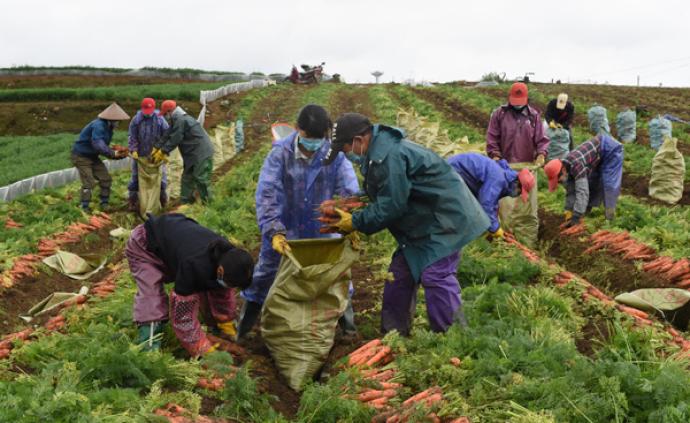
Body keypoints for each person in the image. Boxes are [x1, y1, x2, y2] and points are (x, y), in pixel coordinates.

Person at [323, 113, 490, 336]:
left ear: (358, 141)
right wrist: (352, 203)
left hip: (445, 220)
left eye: (345, 149)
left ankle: (454, 339)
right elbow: (384, 191)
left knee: (435, 275)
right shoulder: (377, 154)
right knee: (399, 275)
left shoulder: (389, 157)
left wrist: (354, 221)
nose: (346, 154)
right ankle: (394, 336)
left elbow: (392, 206)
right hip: (423, 221)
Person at [237, 104, 360, 338]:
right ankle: (243, 330)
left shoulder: (334, 155)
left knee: (335, 277)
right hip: (286, 230)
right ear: (296, 129)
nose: (313, 143)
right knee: (265, 275)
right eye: (307, 137)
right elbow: (267, 194)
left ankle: (349, 330)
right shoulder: (280, 154)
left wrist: (350, 219)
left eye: (318, 138)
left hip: (322, 230)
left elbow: (349, 188)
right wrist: (274, 231)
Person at [125, 213, 254, 356]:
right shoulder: (194, 265)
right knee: (152, 297)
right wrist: (202, 348)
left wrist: (225, 323)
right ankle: (147, 349)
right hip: (145, 245)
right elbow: (183, 317)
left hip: (174, 237)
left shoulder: (228, 256)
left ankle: (215, 329)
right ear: (220, 270)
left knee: (214, 287)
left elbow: (221, 292)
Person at [486, 82, 550, 247]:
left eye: (520, 101)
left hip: (527, 168)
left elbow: (542, 140)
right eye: (515, 101)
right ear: (509, 98)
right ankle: (505, 242)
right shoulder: (499, 114)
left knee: (527, 210)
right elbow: (492, 138)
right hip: (505, 168)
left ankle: (527, 244)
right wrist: (495, 156)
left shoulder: (533, 116)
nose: (517, 104)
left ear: (527, 99)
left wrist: (542, 154)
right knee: (505, 208)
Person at [447, 153, 536, 239]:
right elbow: (486, 204)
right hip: (454, 172)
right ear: (516, 182)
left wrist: (495, 226)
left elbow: (493, 202)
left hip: (461, 173)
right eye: (519, 191)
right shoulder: (498, 178)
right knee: (459, 213)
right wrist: (495, 229)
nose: (518, 194)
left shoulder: (503, 176)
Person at [543, 134, 623, 228]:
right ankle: (585, 211)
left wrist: (576, 216)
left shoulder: (576, 165)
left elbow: (582, 192)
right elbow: (571, 190)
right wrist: (569, 210)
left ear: (562, 170)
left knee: (609, 184)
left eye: (558, 179)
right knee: (592, 182)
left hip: (610, 149)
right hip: (597, 154)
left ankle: (610, 218)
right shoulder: (567, 167)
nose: (559, 182)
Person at [151, 100, 214, 204]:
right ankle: (186, 203)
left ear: (170, 112)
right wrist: (156, 147)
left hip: (201, 152)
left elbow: (176, 138)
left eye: (165, 114)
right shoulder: (176, 120)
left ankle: (208, 204)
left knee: (200, 178)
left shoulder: (181, 120)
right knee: (187, 179)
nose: (165, 117)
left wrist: (163, 151)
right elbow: (167, 134)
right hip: (191, 154)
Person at [71, 103, 130, 212]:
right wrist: (113, 154)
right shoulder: (99, 125)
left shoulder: (108, 128)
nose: (119, 123)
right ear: (111, 119)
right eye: (117, 121)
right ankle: (84, 207)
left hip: (93, 156)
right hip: (81, 156)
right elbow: (98, 144)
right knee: (89, 182)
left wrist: (116, 153)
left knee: (105, 179)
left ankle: (104, 204)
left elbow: (103, 146)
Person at [127, 98, 170, 211]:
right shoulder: (136, 120)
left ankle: (162, 201)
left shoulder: (160, 119)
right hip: (140, 156)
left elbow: (167, 134)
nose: (148, 113)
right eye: (146, 110)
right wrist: (133, 150)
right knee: (135, 179)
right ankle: (133, 202)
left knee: (161, 179)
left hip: (156, 155)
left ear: (154, 108)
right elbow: (132, 136)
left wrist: (163, 151)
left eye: (150, 110)